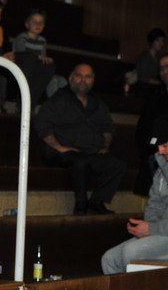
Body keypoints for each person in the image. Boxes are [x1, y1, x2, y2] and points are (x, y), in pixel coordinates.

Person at [34, 63, 126, 215]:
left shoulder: (98, 103)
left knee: (117, 164)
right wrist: (59, 147)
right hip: (61, 152)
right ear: (71, 78)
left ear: (93, 80)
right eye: (79, 76)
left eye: (88, 77)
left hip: (90, 152)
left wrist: (105, 146)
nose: (83, 80)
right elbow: (41, 123)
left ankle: (96, 202)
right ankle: (81, 205)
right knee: (79, 161)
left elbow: (108, 128)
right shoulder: (59, 99)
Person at [102, 116, 168, 274]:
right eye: (158, 146)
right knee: (109, 259)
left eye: (165, 145)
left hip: (163, 231)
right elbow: (155, 205)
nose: (160, 150)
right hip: (161, 232)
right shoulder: (161, 169)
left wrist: (152, 229)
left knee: (131, 253)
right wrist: (146, 228)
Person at [134, 54, 168, 196]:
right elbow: (143, 134)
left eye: (167, 67)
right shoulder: (154, 101)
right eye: (161, 68)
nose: (164, 71)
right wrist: (161, 148)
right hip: (158, 154)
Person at [12, 9, 56, 107]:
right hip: (21, 66)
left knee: (49, 66)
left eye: (41, 22)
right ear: (27, 25)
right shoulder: (21, 37)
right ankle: (21, 102)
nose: (38, 24)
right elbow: (21, 53)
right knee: (29, 58)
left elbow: (42, 57)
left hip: (34, 66)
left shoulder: (42, 40)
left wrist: (46, 59)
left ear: (44, 26)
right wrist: (38, 57)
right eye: (34, 21)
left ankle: (31, 102)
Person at [134, 28, 166, 99]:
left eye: (162, 41)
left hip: (153, 91)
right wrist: (158, 82)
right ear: (152, 41)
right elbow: (141, 77)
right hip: (144, 92)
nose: (161, 43)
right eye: (158, 40)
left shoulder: (158, 57)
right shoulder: (145, 57)